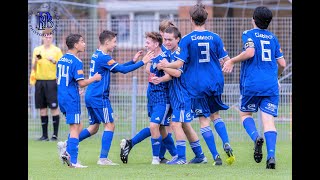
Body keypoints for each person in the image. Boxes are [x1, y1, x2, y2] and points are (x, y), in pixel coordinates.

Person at [57, 30, 154, 166]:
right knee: (110, 125)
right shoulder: (103, 57)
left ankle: (67, 145)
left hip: (90, 95)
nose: (115, 44)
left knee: (94, 127)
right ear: (107, 42)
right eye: (114, 42)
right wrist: (143, 62)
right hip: (99, 97)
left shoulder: (97, 54)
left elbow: (116, 68)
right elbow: (122, 70)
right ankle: (102, 159)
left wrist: (132, 61)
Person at [158, 2, 235, 166]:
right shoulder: (215, 37)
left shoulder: (187, 40)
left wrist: (164, 65)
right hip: (215, 81)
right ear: (205, 18)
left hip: (197, 84)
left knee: (203, 120)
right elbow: (226, 60)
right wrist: (229, 65)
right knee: (216, 116)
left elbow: (178, 65)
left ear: (191, 19)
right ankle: (226, 142)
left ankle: (215, 156)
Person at [222, 6, 286, 169]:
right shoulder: (273, 38)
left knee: (245, 114)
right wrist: (276, 77)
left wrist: (231, 61)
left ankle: (256, 137)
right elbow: (282, 64)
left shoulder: (248, 34)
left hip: (252, 84)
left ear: (253, 20)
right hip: (271, 85)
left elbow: (250, 52)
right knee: (269, 121)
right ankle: (271, 157)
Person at [120, 20, 176, 164]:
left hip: (163, 98)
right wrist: (146, 62)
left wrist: (161, 78)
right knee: (162, 129)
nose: (146, 45)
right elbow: (148, 71)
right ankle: (176, 156)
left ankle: (156, 158)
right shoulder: (153, 56)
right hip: (151, 96)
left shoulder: (165, 55)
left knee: (154, 126)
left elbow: (171, 74)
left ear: (157, 43)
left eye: (148, 43)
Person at [153, 26, 207, 164]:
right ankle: (200, 156)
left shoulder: (180, 53)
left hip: (183, 96)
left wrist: (164, 66)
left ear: (178, 39)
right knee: (185, 126)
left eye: (170, 39)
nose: (166, 42)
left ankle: (181, 158)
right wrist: (160, 78)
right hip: (176, 96)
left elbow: (177, 73)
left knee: (176, 124)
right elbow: (171, 77)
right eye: (165, 39)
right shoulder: (170, 54)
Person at [57, 33, 102, 168]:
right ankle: (74, 160)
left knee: (78, 126)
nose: (84, 44)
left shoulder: (62, 59)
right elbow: (82, 83)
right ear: (76, 45)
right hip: (71, 99)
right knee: (75, 128)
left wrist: (75, 88)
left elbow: (66, 80)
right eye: (82, 41)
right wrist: (95, 78)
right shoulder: (77, 62)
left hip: (62, 97)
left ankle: (67, 151)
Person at [30, 32, 63, 141]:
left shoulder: (57, 50)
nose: (48, 39)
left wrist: (54, 61)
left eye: (50, 37)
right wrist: (36, 61)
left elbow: (62, 65)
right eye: (46, 37)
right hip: (39, 82)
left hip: (52, 82)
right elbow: (33, 67)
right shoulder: (37, 50)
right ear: (42, 37)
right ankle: (44, 135)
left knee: (54, 108)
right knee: (42, 108)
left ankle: (55, 135)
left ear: (52, 37)